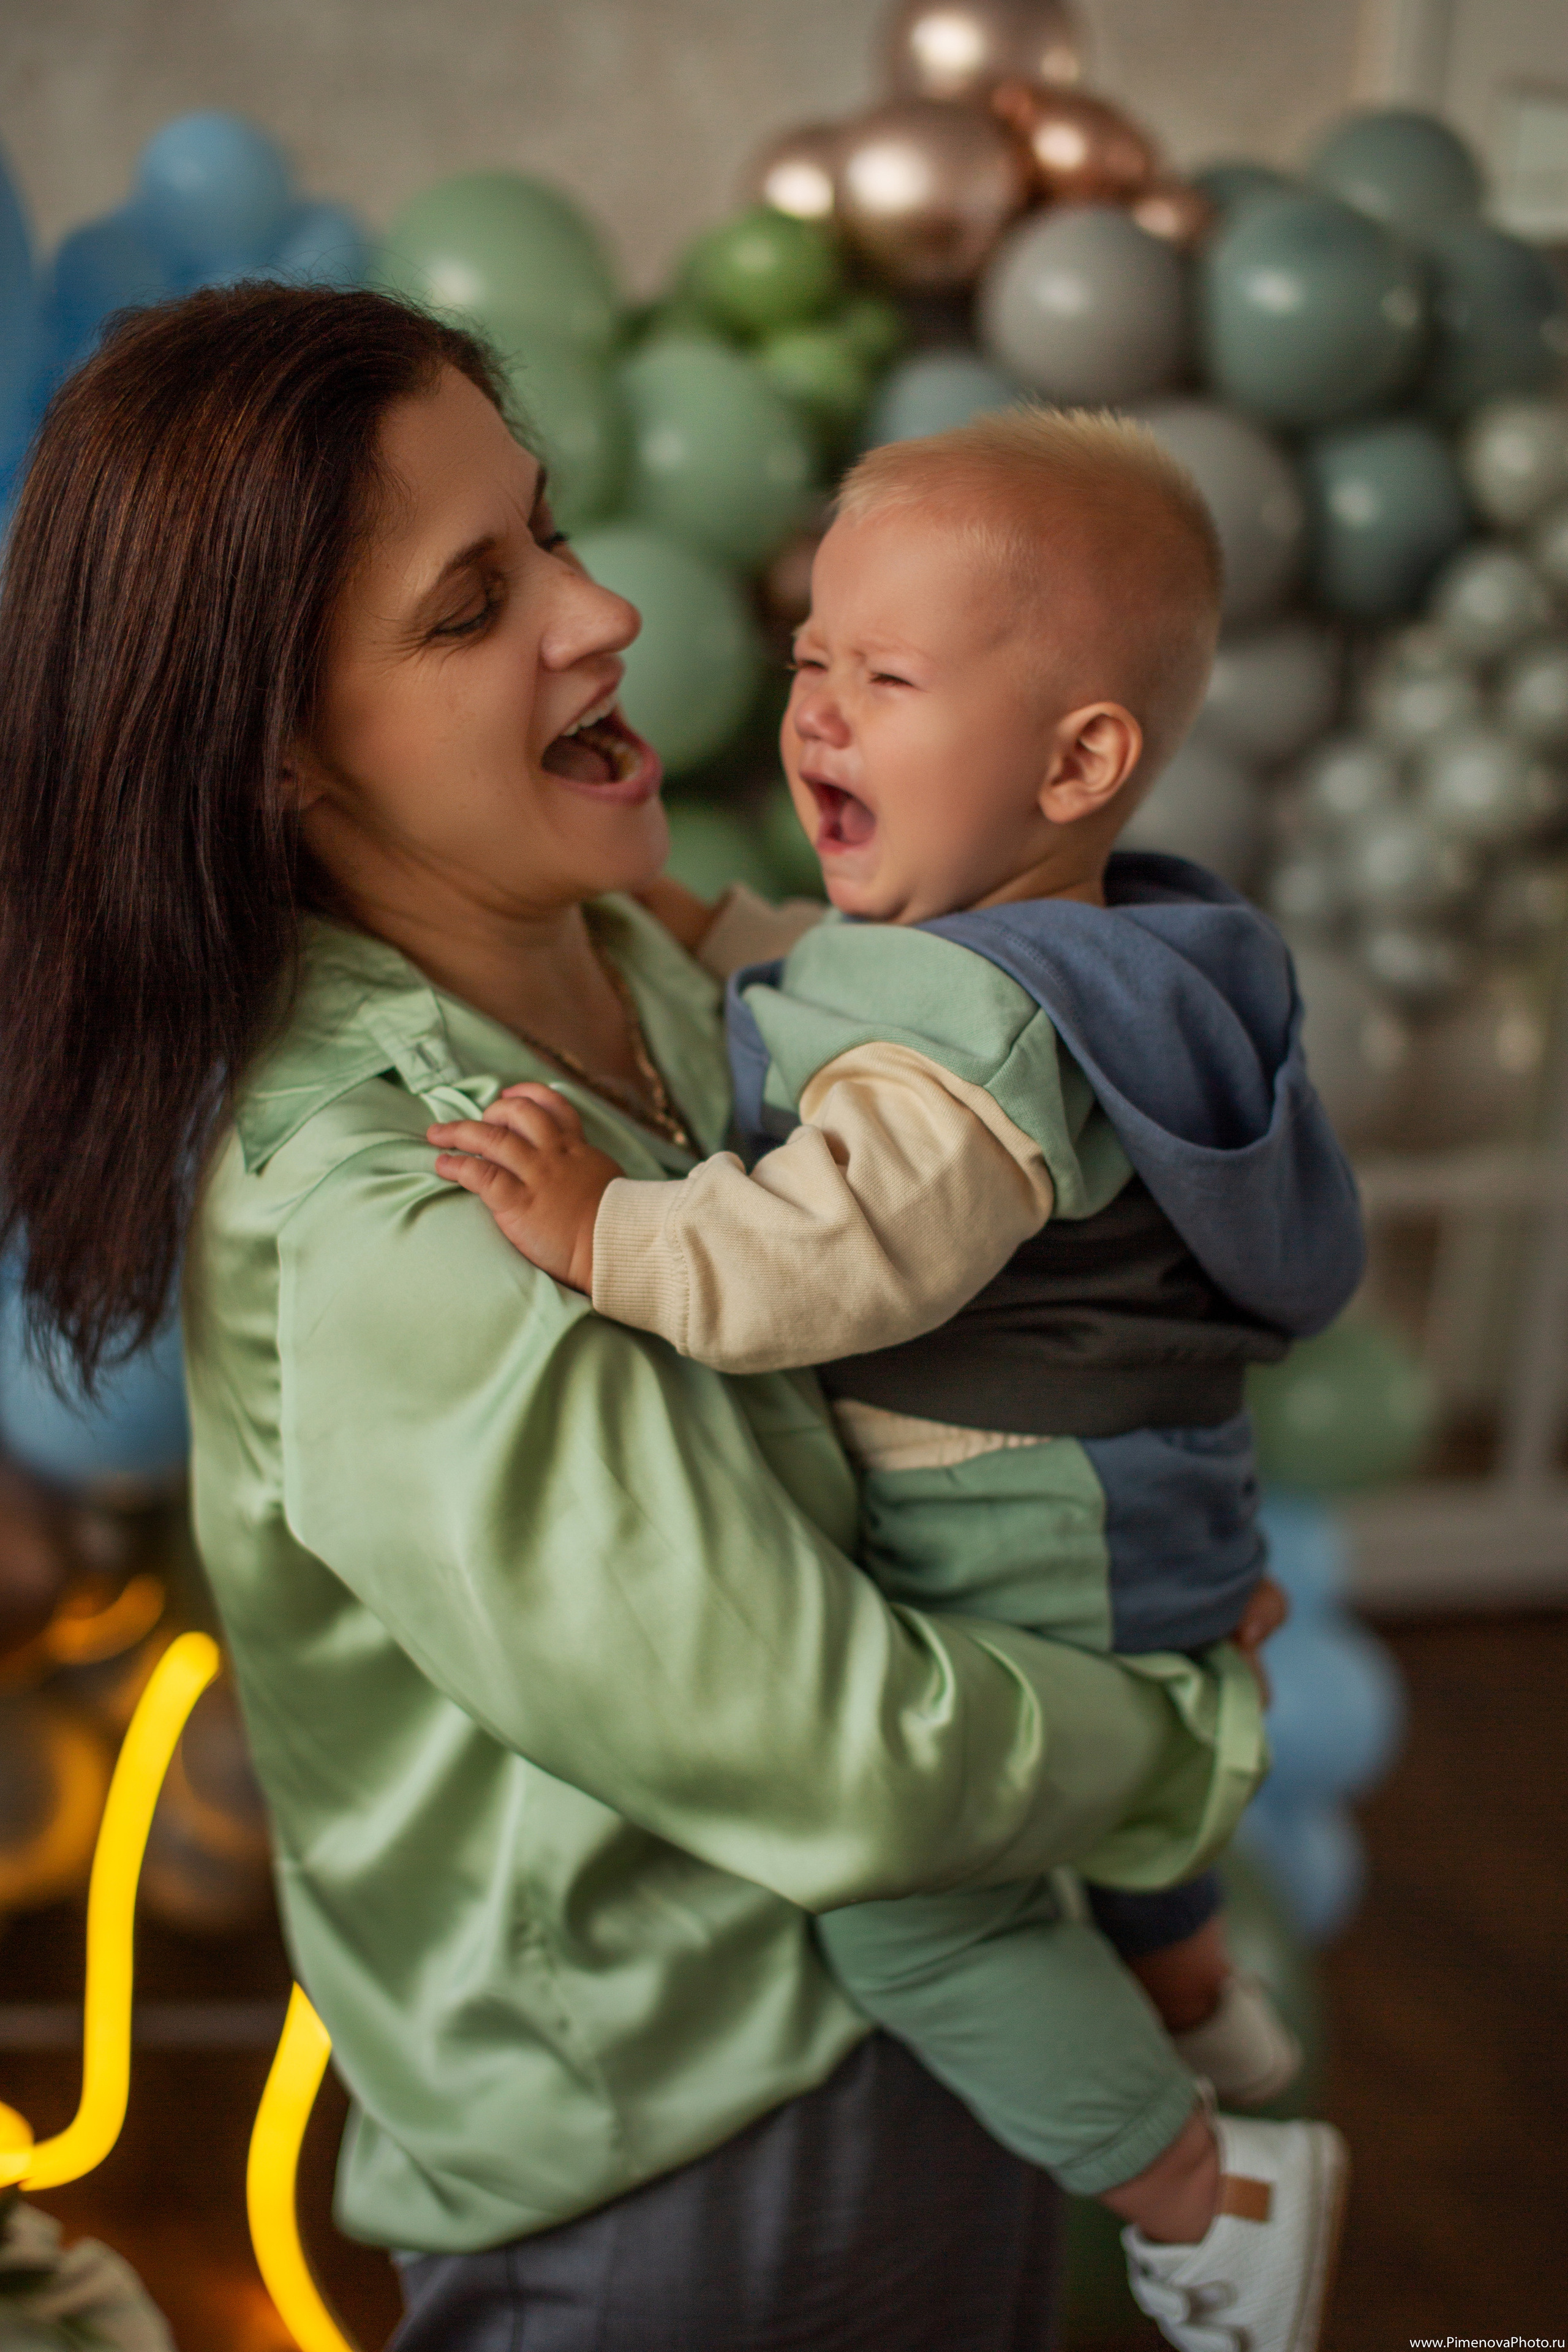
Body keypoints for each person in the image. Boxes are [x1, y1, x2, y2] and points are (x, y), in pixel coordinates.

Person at [0, 288, 1262, 2352]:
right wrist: (1183, 1727)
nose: (605, 618)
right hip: (692, 2169)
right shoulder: (386, 1212)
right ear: (281, 749)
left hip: (917, 2033)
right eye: (471, 602)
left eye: (557, 535)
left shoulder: (638, 963)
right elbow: (833, 1757)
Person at [429, 410, 1360, 2351]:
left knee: (915, 1895)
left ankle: (1205, 2181)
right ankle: (1190, 1982)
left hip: (1034, 1518)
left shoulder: (970, 1061)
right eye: (811, 665)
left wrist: (606, 1228)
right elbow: (843, 993)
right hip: (1141, 1510)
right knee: (1103, 1803)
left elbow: (822, 1255)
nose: (823, 719)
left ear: (1080, 756)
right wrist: (687, 933)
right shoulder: (1086, 945)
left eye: (891, 679)